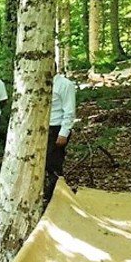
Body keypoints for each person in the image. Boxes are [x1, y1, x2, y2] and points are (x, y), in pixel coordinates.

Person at [45, 71, 76, 202]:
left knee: (54, 163)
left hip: (56, 128)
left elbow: (69, 111)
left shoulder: (65, 85)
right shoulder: (38, 84)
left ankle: (55, 195)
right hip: (41, 128)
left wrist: (64, 133)